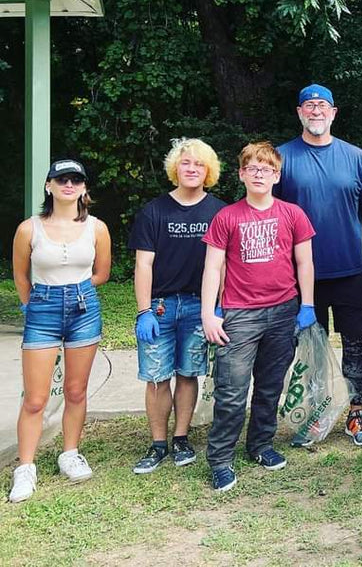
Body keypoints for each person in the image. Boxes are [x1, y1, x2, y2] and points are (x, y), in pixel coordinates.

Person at [201, 141, 318, 492]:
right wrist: (209, 313)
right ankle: (220, 458)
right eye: (252, 168)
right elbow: (212, 267)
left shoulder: (292, 214)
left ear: (276, 175)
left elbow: (304, 262)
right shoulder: (227, 216)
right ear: (241, 174)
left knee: (269, 387)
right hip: (240, 314)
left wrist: (307, 305)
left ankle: (260, 445)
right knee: (232, 390)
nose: (258, 174)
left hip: (283, 311)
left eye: (265, 169)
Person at [275, 84, 362, 445]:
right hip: (301, 276)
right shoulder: (282, 157)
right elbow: (267, 213)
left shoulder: (354, 156)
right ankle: (317, 413)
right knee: (309, 348)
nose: (316, 111)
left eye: (323, 106)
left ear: (334, 113)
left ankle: (355, 413)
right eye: (309, 105)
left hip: (349, 269)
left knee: (353, 344)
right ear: (299, 112)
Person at [9, 159, 112, 503]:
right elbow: (21, 277)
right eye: (61, 179)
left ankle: (70, 452)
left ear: (84, 189)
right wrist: (35, 303)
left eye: (76, 180)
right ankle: (25, 467)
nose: (69, 185)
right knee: (36, 398)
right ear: (49, 186)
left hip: (84, 308)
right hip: (43, 309)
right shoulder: (29, 229)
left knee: (76, 390)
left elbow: (102, 272)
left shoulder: (97, 228)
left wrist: (75, 291)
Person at [130, 138, 226, 474]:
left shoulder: (218, 211)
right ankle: (158, 443)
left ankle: (182, 438)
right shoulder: (154, 211)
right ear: (176, 167)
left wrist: (219, 306)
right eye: (186, 163)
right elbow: (143, 265)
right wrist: (143, 311)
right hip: (160, 307)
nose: (192, 169)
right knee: (157, 377)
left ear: (208, 171)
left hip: (200, 307)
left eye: (199, 165)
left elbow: (225, 265)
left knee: (188, 373)